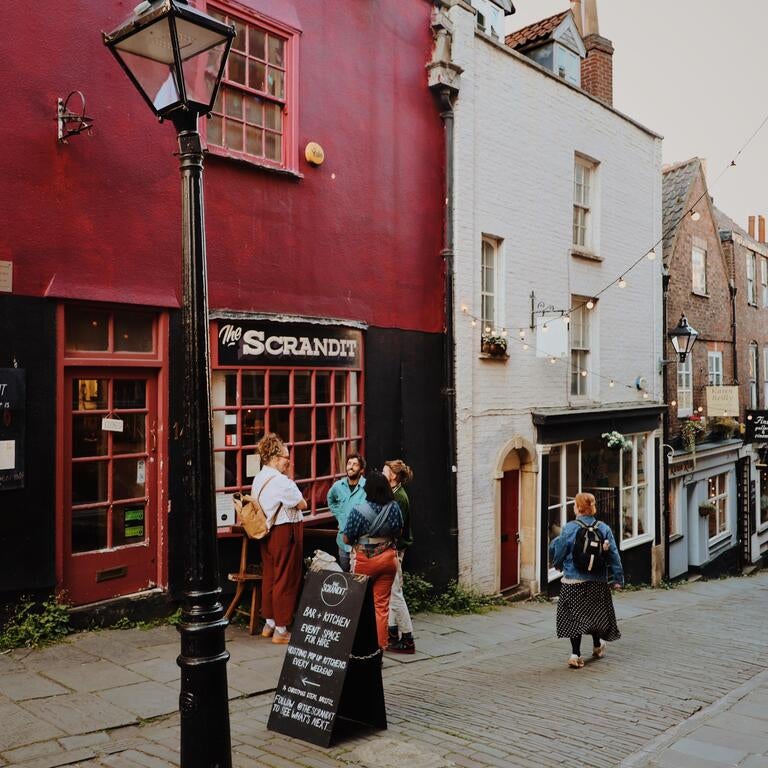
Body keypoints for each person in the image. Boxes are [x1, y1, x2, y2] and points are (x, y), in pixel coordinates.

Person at [548, 492, 623, 668]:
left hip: (573, 580)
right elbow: (614, 555)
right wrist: (618, 578)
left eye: (574, 504)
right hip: (597, 580)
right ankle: (597, 646)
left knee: (575, 617)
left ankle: (575, 654)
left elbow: (560, 550)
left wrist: (557, 565)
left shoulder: (570, 528)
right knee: (594, 614)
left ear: (578, 507)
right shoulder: (603, 528)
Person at [251, 433, 307, 644]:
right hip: (286, 532)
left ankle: (270, 623)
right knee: (286, 578)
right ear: (275, 458)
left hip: (267, 533)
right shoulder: (282, 482)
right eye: (286, 458)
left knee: (271, 576)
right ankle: (282, 630)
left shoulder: (258, 478)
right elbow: (302, 504)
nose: (289, 462)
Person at [343, 470, 403, 649]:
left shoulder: (358, 511)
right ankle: (379, 649)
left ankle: (359, 648)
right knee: (381, 606)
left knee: (358, 605)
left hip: (364, 561)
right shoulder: (394, 508)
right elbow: (398, 532)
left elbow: (347, 538)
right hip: (387, 560)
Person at [382, 459, 416, 654]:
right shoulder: (393, 494)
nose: (382, 473)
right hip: (392, 548)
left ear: (393, 476)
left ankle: (408, 638)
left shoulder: (400, 498)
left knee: (395, 592)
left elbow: (396, 529)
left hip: (395, 550)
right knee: (390, 591)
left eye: (385, 471)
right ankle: (392, 632)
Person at [326, 453, 367, 572]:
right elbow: (331, 499)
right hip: (343, 541)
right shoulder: (338, 486)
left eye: (355, 464)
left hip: (361, 542)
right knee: (344, 574)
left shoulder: (367, 486)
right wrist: (339, 515)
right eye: (349, 463)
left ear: (362, 470)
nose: (351, 467)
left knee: (359, 577)